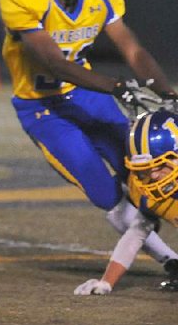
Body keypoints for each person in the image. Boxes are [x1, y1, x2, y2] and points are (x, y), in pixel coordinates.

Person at [0, 0, 178, 281]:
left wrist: (167, 92)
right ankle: (169, 260)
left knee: (148, 166)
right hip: (42, 109)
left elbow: (132, 50)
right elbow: (54, 65)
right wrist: (118, 87)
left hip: (86, 95)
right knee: (102, 187)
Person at [75, 109, 178, 295]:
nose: (153, 177)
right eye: (145, 170)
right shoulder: (150, 192)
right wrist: (106, 282)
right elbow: (136, 233)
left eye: (161, 166)